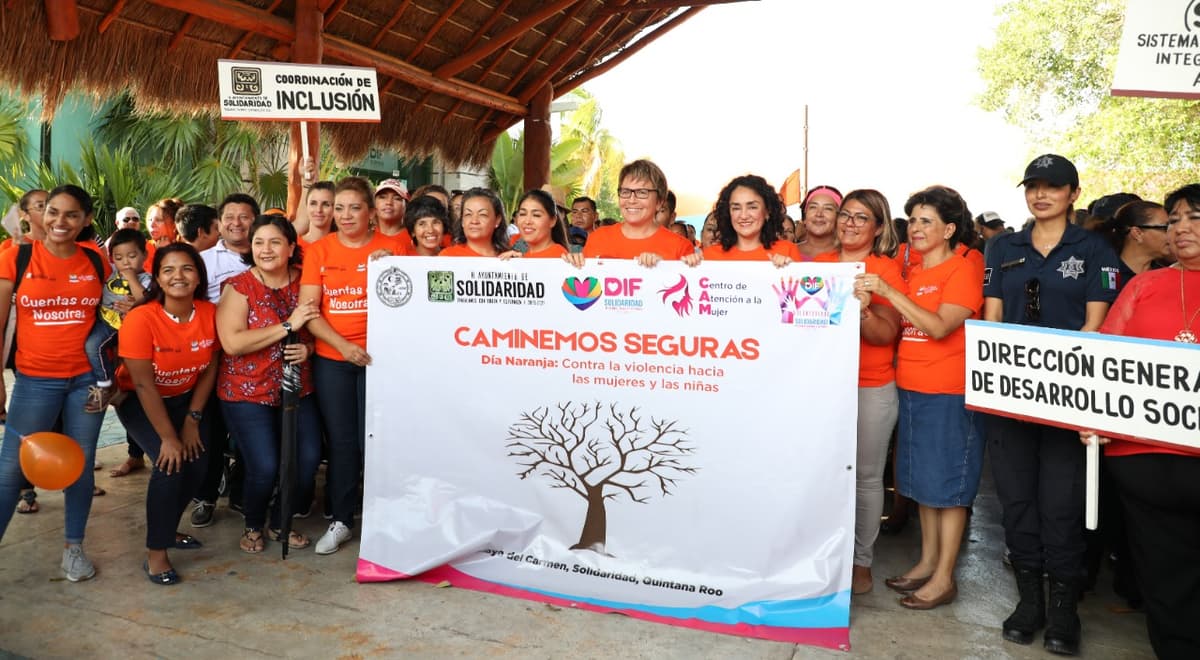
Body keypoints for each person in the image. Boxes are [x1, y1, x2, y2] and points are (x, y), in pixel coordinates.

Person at [983, 154, 1120, 655]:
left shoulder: (1095, 250)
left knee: (1061, 505)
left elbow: (1095, 328)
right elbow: (992, 319)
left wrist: (1068, 386)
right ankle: (1028, 602)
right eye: (1033, 186)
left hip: (1067, 398)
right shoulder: (1003, 247)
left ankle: (1064, 608)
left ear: (1073, 195)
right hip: (1009, 397)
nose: (1041, 195)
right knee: (1016, 500)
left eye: (1053, 187)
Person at [1079, 183, 1200, 659]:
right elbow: (1107, 359)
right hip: (1145, 461)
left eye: (1194, 217)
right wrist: (1092, 415)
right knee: (1166, 581)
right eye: (1173, 219)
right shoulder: (1145, 285)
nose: (1181, 228)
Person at [857, 185, 983, 610]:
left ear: (949, 229)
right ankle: (927, 561)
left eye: (926, 221)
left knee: (948, 489)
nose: (915, 228)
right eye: (912, 220)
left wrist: (891, 294)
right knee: (923, 484)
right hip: (911, 387)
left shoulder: (962, 268)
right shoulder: (912, 270)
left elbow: (940, 326)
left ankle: (945, 576)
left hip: (948, 391)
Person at [0, 184, 112, 581]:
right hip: (35, 381)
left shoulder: (95, 260)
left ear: (85, 221)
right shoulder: (18, 256)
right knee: (11, 471)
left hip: (87, 382)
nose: (59, 221)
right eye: (52, 211)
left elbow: (112, 310)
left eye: (70, 215)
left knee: (79, 468)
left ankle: (74, 549)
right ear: (38, 214)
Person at [301, 176, 400, 555]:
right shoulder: (320, 251)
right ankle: (342, 519)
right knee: (343, 443)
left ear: (371, 213)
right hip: (334, 361)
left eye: (354, 208)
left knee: (380, 442)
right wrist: (343, 347)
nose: (344, 215)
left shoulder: (393, 247)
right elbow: (310, 312)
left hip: (382, 362)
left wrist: (391, 267)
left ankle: (384, 518)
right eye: (338, 208)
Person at [815, 188, 904, 596]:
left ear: (879, 227)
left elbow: (885, 336)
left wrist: (864, 308)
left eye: (861, 218)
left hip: (871, 385)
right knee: (818, 474)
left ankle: (860, 562)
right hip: (821, 388)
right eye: (845, 215)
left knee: (866, 477)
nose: (850, 224)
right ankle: (819, 553)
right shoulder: (816, 266)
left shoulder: (885, 271)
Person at [115, 243, 219, 585]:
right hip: (140, 401)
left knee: (199, 465)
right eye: (169, 269)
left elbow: (210, 367)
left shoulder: (207, 313)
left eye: (187, 268)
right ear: (157, 277)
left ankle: (169, 529)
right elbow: (143, 386)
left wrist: (192, 420)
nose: (178, 276)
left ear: (198, 277)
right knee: (169, 464)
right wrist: (169, 438)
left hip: (185, 400)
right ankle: (156, 554)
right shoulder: (141, 319)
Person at [216, 216, 321, 554]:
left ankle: (281, 521)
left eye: (275, 242)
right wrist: (288, 326)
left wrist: (309, 348)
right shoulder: (239, 286)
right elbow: (232, 343)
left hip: (297, 389)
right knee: (264, 465)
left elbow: (322, 331)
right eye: (259, 242)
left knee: (306, 461)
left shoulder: (307, 283)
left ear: (292, 247)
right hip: (247, 392)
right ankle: (253, 524)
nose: (266, 249)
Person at [84, 228, 151, 413]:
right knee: (91, 346)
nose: (126, 262)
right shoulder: (111, 272)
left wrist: (131, 278)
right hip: (106, 320)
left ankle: (106, 385)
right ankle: (108, 382)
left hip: (123, 327)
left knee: (94, 346)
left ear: (144, 255)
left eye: (131, 256)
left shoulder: (146, 278)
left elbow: (144, 299)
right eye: (119, 258)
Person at [581, 160, 694, 265]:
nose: (631, 200)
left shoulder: (681, 248)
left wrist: (663, 269)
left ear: (659, 202)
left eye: (642, 192)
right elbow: (580, 283)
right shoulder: (598, 238)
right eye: (625, 192)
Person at [702, 174, 799, 265]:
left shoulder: (787, 250)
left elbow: (802, 281)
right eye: (736, 208)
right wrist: (689, 265)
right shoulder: (710, 256)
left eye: (752, 207)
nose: (743, 216)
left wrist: (791, 271)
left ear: (767, 211)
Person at [1098, 200, 1171, 290]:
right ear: (1137, 233)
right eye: (1165, 228)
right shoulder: (1107, 276)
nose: (1173, 234)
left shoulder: (1168, 276)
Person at [441, 188, 510, 257]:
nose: (474, 221)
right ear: (462, 221)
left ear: (497, 220)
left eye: (482, 214)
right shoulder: (448, 256)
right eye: (468, 214)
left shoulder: (509, 257)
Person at [504, 189, 569, 259]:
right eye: (522, 214)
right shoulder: (514, 244)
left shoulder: (560, 258)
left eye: (536, 215)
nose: (527, 221)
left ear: (552, 221)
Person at [797, 185, 841, 260]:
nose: (819, 214)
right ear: (805, 217)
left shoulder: (849, 255)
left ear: (838, 217)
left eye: (828, 208)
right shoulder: (786, 252)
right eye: (813, 207)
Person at [296, 181, 336, 245]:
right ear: (307, 206)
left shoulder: (342, 247)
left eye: (326, 204)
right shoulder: (293, 246)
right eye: (313, 203)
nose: (318, 210)